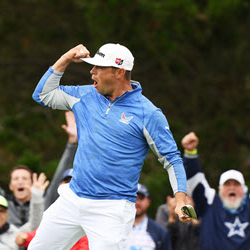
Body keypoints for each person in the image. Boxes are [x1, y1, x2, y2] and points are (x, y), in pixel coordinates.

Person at [29, 43, 190, 249]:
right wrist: (66, 57)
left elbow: (172, 159)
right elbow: (42, 95)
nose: (92, 72)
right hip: (73, 197)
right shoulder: (85, 95)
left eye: (99, 68)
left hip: (112, 208)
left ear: (119, 72)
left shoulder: (147, 113)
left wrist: (181, 200)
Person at [0, 111, 78, 226]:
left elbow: (59, 175)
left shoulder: (44, 201)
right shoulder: (3, 203)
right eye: (16, 179)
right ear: (10, 186)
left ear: (33, 185)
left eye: (24, 178)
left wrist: (72, 143)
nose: (20, 181)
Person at [181, 132, 250, 249]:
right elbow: (195, 180)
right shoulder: (209, 203)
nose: (232, 188)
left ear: (244, 189)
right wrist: (190, 152)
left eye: (236, 184)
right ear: (220, 189)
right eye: (227, 184)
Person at [15, 168, 89, 250]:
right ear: (61, 186)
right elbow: (45, 231)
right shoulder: (58, 209)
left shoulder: (90, 209)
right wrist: (26, 237)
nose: (71, 185)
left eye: (74, 182)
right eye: (67, 182)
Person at [123, 183, 171, 250]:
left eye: (141, 198)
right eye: (133, 198)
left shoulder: (160, 232)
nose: (137, 202)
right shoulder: (114, 228)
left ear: (148, 202)